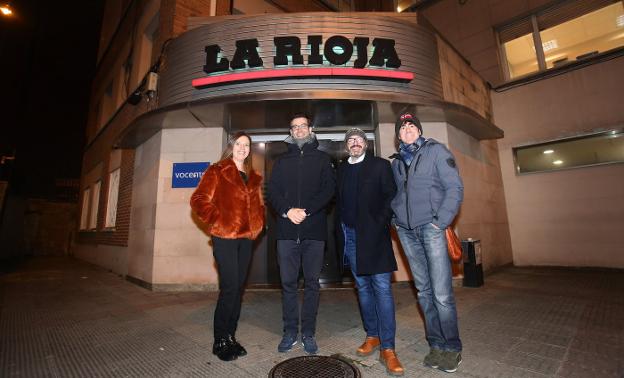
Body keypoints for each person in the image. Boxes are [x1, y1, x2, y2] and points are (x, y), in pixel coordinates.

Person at [390, 112, 464, 373]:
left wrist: (440, 221)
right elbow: (396, 195)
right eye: (403, 127)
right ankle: (436, 344)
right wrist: (395, 220)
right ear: (398, 135)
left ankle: (452, 347)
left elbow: (454, 189)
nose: (407, 130)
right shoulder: (397, 163)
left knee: (442, 293)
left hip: (431, 228)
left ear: (419, 130)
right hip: (407, 232)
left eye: (412, 126)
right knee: (423, 292)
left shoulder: (436, 151)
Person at [190, 131, 265, 362]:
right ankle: (219, 340)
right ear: (231, 146)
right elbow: (198, 200)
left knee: (238, 289)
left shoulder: (253, 177)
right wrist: (218, 218)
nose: (243, 148)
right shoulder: (217, 170)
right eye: (239, 144)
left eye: (247, 145)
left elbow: (259, 205)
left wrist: (258, 223)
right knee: (229, 288)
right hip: (225, 238)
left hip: (245, 240)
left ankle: (231, 336)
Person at [336, 128, 404, 376]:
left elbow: (391, 196)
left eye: (359, 140)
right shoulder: (342, 169)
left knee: (382, 288)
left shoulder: (380, 166)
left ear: (366, 144)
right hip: (351, 237)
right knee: (363, 288)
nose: (355, 143)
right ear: (347, 146)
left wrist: (379, 222)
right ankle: (372, 335)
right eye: (350, 140)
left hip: (375, 237)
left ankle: (389, 348)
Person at [267, 113, 335, 354]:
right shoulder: (281, 161)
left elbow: (329, 190)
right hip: (286, 232)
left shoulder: (323, 159)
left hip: (314, 232)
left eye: (302, 126)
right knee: (287, 284)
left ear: (311, 129)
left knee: (312, 284)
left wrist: (306, 211)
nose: (298, 130)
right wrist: (287, 211)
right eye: (294, 127)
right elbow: (271, 191)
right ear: (291, 131)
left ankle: (308, 332)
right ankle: (289, 332)